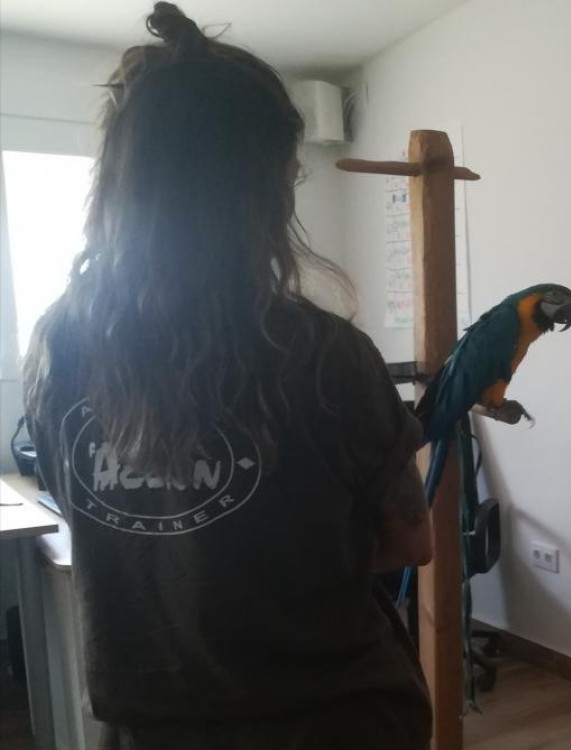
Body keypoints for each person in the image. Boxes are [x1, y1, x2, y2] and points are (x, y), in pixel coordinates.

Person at [23, 4, 433, 748]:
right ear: (261, 188)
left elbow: (102, 528)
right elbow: (410, 540)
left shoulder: (59, 349)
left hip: (149, 727)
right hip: (332, 720)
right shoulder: (327, 357)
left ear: (119, 182)